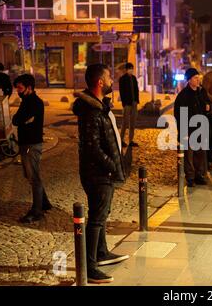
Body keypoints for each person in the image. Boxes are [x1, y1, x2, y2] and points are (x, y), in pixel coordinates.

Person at [72, 64, 129, 284]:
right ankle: (89, 266)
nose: (112, 80)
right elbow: (92, 147)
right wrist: (111, 165)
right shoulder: (91, 111)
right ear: (100, 82)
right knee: (96, 219)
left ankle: (102, 252)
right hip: (98, 173)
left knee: (102, 214)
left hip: (102, 171)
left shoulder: (100, 107)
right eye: (109, 77)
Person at [12, 74, 52, 223]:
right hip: (26, 143)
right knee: (30, 175)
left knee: (33, 177)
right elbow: (17, 120)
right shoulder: (26, 101)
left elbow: (17, 120)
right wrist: (22, 120)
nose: (18, 91)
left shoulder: (34, 103)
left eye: (20, 88)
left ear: (29, 88)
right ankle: (45, 203)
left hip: (31, 144)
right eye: (17, 88)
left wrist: (21, 120)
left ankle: (37, 211)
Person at [174, 68, 210, 187]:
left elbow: (206, 106)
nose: (198, 79)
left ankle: (199, 175)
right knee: (189, 155)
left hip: (201, 128)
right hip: (189, 130)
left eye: (198, 77)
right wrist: (184, 131)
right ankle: (190, 177)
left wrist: (207, 108)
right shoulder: (183, 95)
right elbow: (180, 115)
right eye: (195, 78)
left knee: (200, 153)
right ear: (189, 80)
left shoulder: (201, 92)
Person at [119, 62, 140, 147]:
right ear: (126, 69)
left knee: (133, 123)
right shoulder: (122, 79)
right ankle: (121, 140)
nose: (131, 70)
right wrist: (124, 103)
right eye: (129, 68)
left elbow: (136, 90)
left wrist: (137, 100)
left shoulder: (134, 78)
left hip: (134, 103)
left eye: (132, 68)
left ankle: (131, 140)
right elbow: (122, 92)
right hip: (127, 104)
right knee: (125, 123)